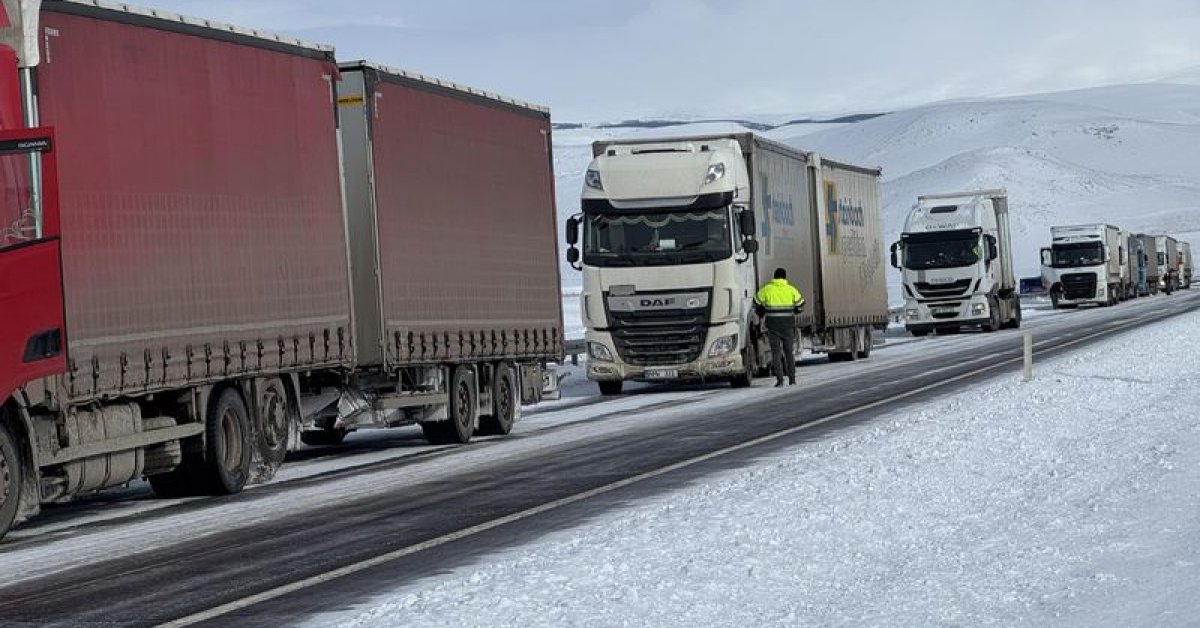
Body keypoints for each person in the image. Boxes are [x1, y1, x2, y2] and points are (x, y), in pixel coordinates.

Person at [755, 268, 806, 387]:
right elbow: (801, 305)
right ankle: (792, 379)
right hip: (788, 325)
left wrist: (762, 311)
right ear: (784, 277)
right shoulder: (791, 289)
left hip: (773, 326)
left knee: (776, 353)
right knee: (789, 353)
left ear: (774, 277)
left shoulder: (767, 289)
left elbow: (756, 302)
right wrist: (794, 311)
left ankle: (780, 380)